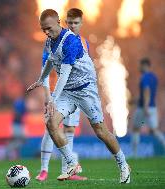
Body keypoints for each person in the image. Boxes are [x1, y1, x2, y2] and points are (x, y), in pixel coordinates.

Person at [27, 9, 130, 184]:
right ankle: (71, 163)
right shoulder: (49, 40)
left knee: (101, 132)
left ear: (59, 22)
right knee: (51, 122)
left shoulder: (71, 42)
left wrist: (52, 98)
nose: (46, 32)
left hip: (85, 90)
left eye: (49, 28)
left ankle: (123, 164)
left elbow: (64, 74)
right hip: (68, 92)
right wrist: (41, 78)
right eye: (43, 29)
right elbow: (51, 60)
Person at [36, 8, 88, 182]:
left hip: (74, 92)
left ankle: (68, 169)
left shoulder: (83, 43)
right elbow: (44, 70)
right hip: (55, 92)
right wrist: (48, 96)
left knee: (70, 129)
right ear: (64, 23)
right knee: (51, 127)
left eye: (76, 23)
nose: (73, 26)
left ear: (81, 24)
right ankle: (44, 169)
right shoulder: (51, 42)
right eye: (70, 23)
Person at [131, 58, 165, 157]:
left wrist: (145, 105)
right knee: (154, 130)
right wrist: (136, 100)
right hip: (153, 107)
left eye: (140, 65)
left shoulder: (144, 77)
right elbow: (149, 93)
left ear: (144, 65)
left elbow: (146, 91)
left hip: (144, 108)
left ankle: (135, 154)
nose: (139, 68)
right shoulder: (154, 77)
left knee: (136, 129)